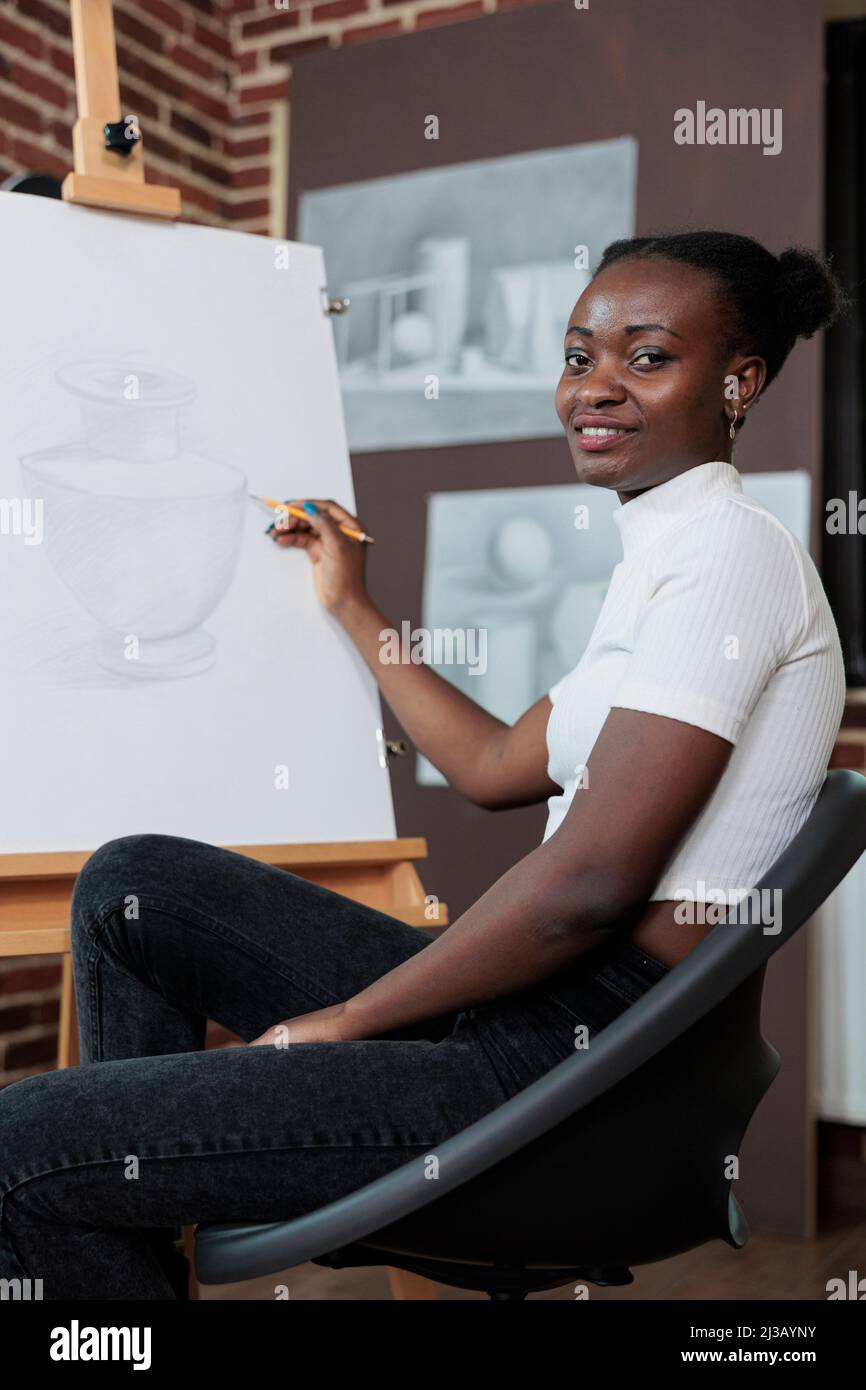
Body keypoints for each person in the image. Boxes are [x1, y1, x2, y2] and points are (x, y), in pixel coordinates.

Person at [0, 230, 848, 1300]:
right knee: (137, 887)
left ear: (737, 381)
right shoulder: (670, 562)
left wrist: (342, 1025)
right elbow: (495, 763)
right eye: (578, 353)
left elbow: (588, 889)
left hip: (577, 1062)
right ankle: (130, 1203)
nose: (594, 386)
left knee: (21, 1145)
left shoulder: (728, 557)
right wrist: (354, 605)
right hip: (545, 1012)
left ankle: (106, 1198)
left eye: (645, 357)